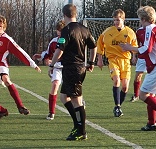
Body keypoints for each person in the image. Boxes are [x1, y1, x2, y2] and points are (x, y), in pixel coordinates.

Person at [120, 6, 156, 131]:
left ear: (144, 18)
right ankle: (151, 123)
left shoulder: (150, 28)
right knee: (150, 94)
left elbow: (146, 49)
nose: (140, 22)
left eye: (140, 19)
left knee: (143, 94)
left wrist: (130, 48)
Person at [0, 15, 40, 119]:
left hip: (1, 66)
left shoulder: (7, 39)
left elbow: (20, 52)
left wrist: (33, 64)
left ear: (4, 27)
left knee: (6, 80)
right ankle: (2, 111)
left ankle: (20, 106)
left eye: (1, 26)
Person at [49, 4, 96, 141]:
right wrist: (91, 62)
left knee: (76, 100)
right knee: (64, 97)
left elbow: (60, 50)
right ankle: (77, 124)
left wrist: (51, 64)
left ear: (64, 15)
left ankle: (81, 131)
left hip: (73, 68)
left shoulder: (66, 30)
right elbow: (94, 46)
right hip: (78, 67)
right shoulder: (84, 29)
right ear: (75, 14)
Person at [96, 9, 138, 117]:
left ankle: (118, 107)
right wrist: (99, 59)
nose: (116, 22)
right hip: (113, 59)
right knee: (116, 80)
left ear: (123, 19)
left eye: (118, 20)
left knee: (125, 87)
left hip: (125, 61)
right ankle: (117, 105)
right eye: (114, 20)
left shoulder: (130, 32)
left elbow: (134, 46)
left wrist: (134, 56)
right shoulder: (107, 32)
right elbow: (100, 44)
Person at [32, 20, 66, 120]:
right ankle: (51, 112)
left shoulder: (70, 41)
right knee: (55, 85)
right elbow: (48, 54)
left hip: (68, 68)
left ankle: (80, 102)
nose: (59, 33)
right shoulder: (54, 42)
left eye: (61, 31)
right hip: (57, 67)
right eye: (58, 31)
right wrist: (42, 57)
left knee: (70, 92)